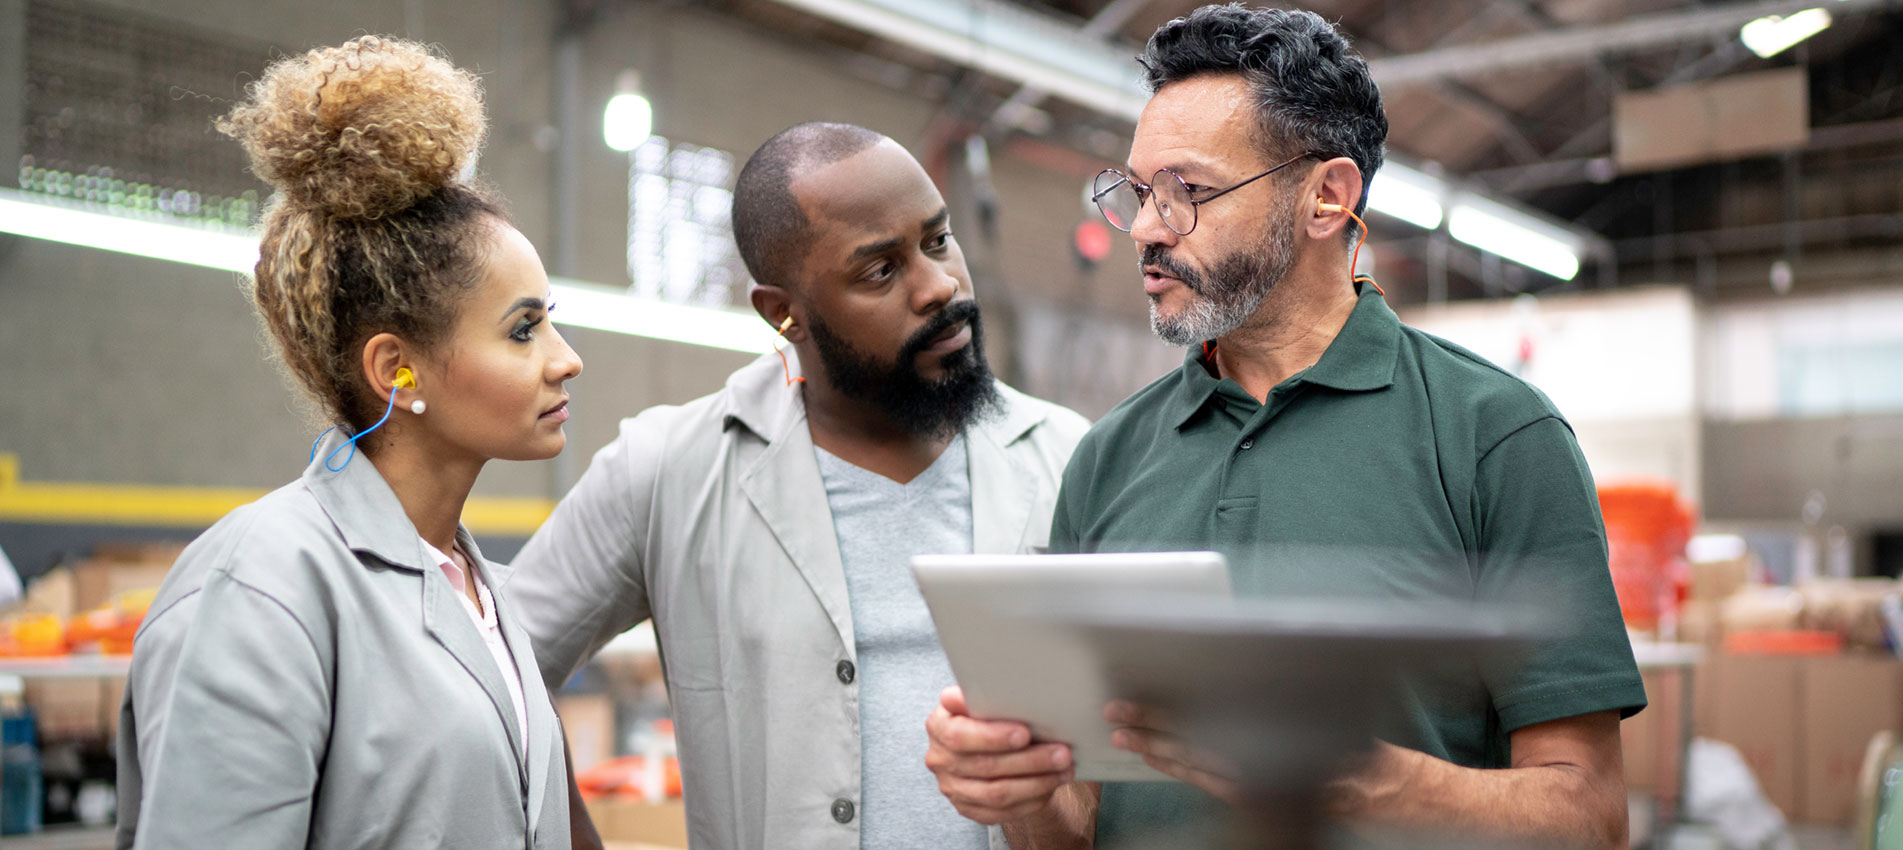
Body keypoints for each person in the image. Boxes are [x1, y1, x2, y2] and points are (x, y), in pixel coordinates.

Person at [925, 6, 1646, 849]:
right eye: (1138, 193)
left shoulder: (1495, 436)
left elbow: (1590, 817)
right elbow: (1083, 825)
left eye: (1187, 191)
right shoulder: (1108, 457)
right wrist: (1021, 793)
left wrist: (1365, 783)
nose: (1149, 230)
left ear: (1325, 199)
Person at [502, 122, 1090, 850]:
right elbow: (490, 677)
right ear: (782, 313)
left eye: (937, 241)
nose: (938, 286)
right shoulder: (667, 470)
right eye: (879, 271)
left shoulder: (1072, 460)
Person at [116, 36, 583, 850]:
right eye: (523, 330)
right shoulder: (262, 588)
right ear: (397, 370)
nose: (565, 359)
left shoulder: (485, 594)